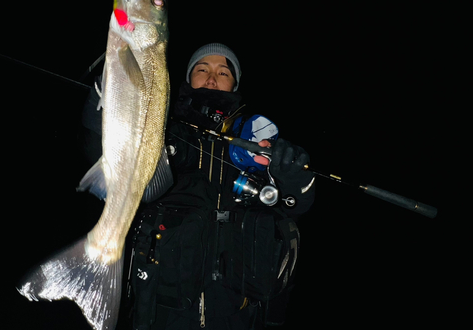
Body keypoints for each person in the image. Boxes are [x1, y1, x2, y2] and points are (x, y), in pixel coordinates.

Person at [81, 43, 315, 329]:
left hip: (237, 315)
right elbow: (105, 154)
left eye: (223, 72)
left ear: (235, 85)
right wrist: (107, 90)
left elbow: (294, 206)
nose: (212, 77)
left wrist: (294, 177)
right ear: (188, 78)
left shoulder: (259, 142)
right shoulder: (160, 129)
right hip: (162, 312)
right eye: (202, 69)